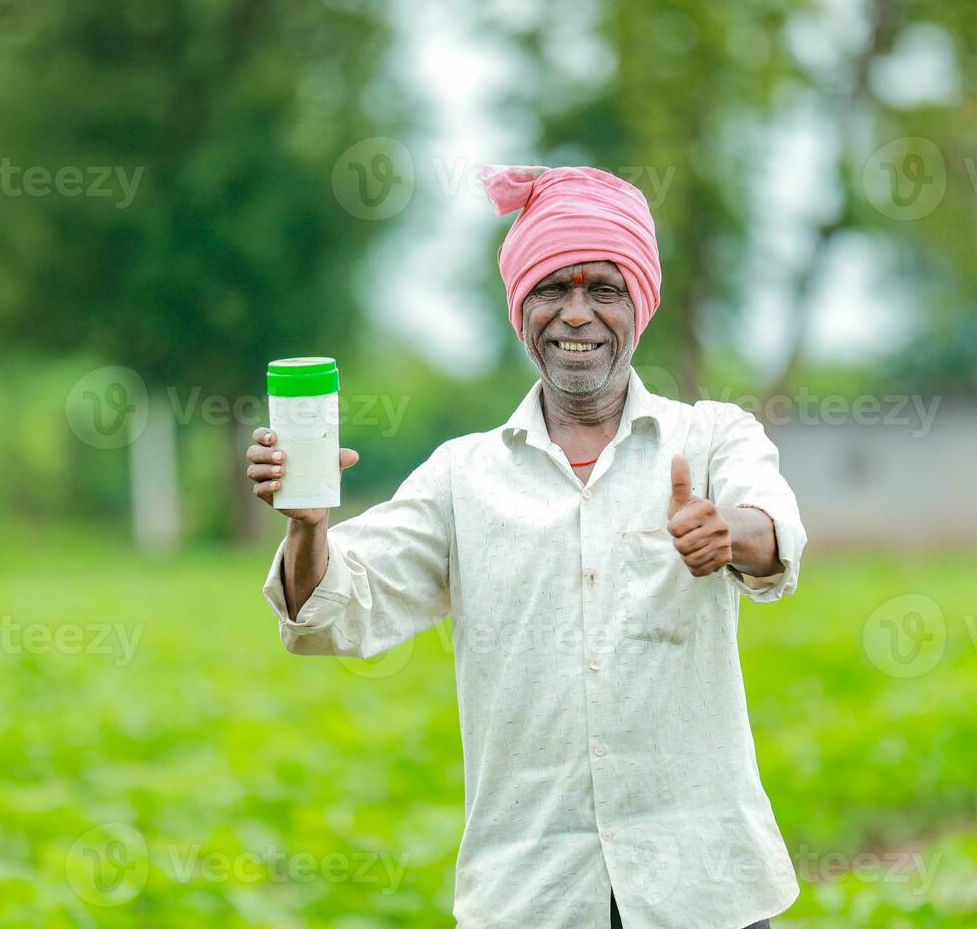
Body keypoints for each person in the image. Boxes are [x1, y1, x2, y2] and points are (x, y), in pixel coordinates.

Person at [247, 164, 804, 928]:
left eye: (603, 288)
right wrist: (308, 525)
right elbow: (331, 613)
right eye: (553, 289)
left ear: (638, 305)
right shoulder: (462, 478)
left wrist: (727, 533)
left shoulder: (710, 436)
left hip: (703, 890)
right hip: (533, 896)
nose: (577, 315)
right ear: (522, 311)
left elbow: (773, 528)